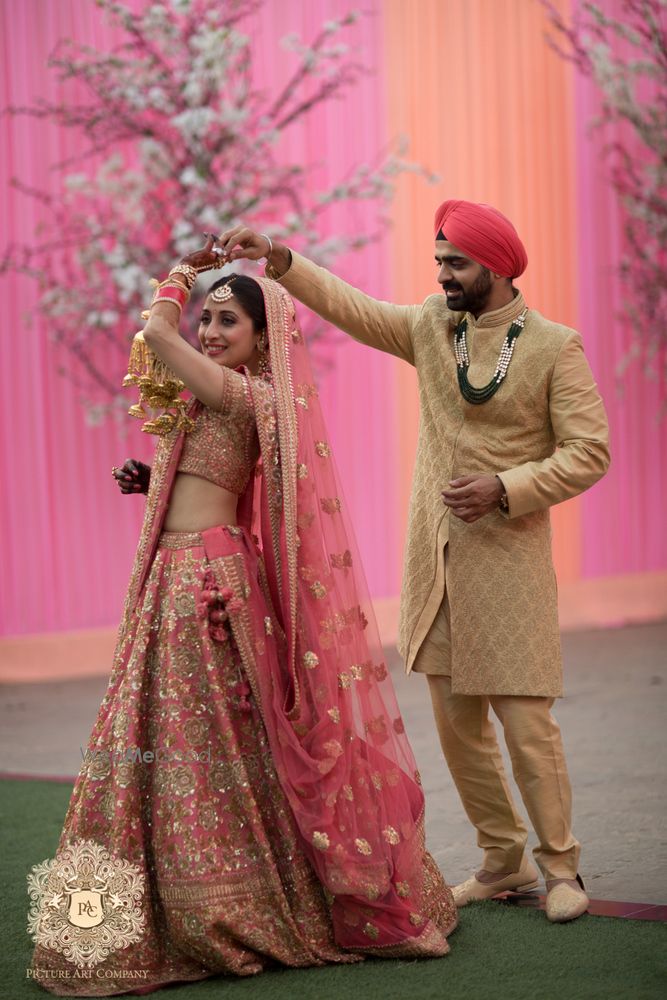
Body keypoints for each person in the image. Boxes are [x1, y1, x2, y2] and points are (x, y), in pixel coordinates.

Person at [29, 239, 457, 997]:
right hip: (176, 571)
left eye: (227, 321)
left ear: (263, 339)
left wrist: (180, 277)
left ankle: (236, 903)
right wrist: (149, 480)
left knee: (200, 739)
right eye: (207, 320)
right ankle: (188, 897)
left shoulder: (248, 395)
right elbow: (201, 460)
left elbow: (155, 334)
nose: (209, 332)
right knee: (178, 739)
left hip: (205, 581)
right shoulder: (215, 394)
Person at [216, 200, 610, 924]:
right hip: (434, 560)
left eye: (455, 263)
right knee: (456, 726)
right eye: (438, 262)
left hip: (510, 560)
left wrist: (505, 488)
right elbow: (356, 309)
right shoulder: (434, 328)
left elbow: (589, 452)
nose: (443, 275)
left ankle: (561, 868)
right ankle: (501, 860)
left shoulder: (555, 347)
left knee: (525, 723)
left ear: (495, 266)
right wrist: (276, 257)